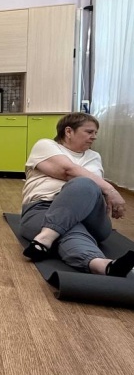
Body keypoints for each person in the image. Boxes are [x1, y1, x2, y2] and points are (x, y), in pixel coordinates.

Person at [20, 112, 133, 277]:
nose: (94, 137)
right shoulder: (45, 145)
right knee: (70, 228)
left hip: (90, 217)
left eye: (95, 133)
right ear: (68, 131)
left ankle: (45, 237)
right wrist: (111, 189)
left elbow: (88, 185)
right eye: (89, 132)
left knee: (85, 183)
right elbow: (67, 170)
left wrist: (107, 190)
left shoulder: (94, 156)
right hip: (42, 209)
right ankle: (101, 265)